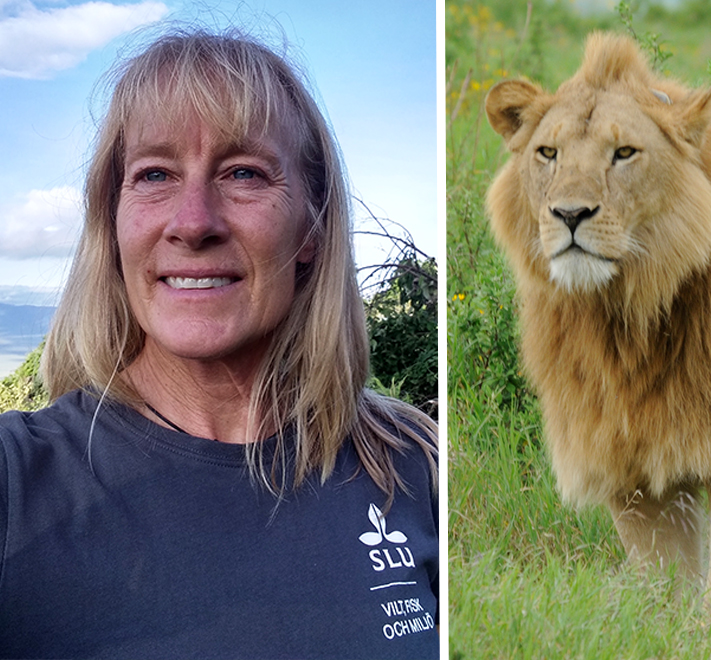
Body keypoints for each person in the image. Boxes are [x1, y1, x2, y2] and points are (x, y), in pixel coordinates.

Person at [0, 28, 438, 659]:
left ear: (312, 228)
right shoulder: (19, 485)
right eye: (155, 174)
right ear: (113, 222)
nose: (194, 221)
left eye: (243, 173)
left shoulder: (410, 466)